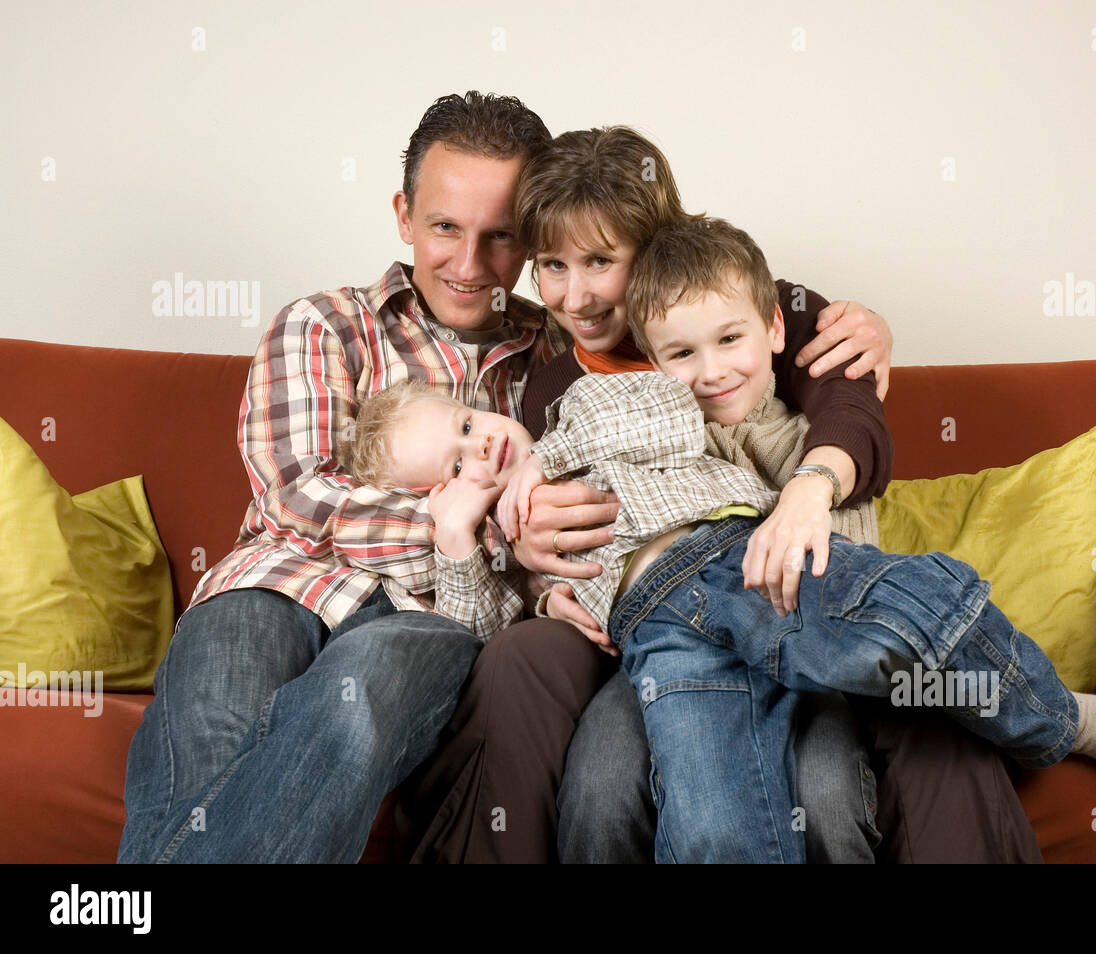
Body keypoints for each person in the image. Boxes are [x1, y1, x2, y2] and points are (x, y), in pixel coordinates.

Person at [116, 92, 883, 863]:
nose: (471, 264)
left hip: (424, 616)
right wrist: (493, 536)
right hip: (280, 582)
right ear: (403, 214)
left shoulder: (564, 346)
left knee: (361, 694)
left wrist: (843, 327)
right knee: (210, 732)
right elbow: (298, 492)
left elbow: (738, 324)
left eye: (501, 239)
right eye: (446, 227)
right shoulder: (326, 324)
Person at [347, 220, 1096, 863]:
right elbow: (486, 631)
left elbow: (670, 405)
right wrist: (466, 538)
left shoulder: (580, 408)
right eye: (453, 465)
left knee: (908, 619)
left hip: (730, 563)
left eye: (466, 424)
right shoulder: (497, 523)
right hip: (653, 635)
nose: (480, 448)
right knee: (715, 826)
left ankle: (1053, 718)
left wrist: (546, 459)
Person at [420, 126, 1044, 865]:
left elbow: (853, 415)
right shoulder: (561, 386)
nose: (575, 295)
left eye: (600, 263)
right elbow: (545, 524)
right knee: (603, 779)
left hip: (800, 593)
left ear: (652, 249)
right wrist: (540, 573)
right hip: (666, 631)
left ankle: (1034, 710)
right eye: (551, 265)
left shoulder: (755, 307)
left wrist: (809, 489)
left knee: (843, 773)